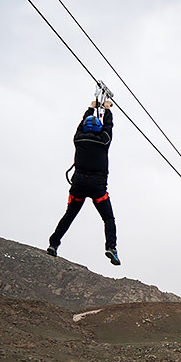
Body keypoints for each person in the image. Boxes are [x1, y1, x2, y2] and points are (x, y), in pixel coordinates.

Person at [47, 99, 120, 265]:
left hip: (78, 184)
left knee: (69, 215)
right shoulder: (103, 141)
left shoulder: (78, 139)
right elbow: (108, 126)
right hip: (97, 187)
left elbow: (81, 126)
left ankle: (53, 243)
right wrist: (107, 109)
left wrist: (91, 108)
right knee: (108, 218)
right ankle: (111, 248)